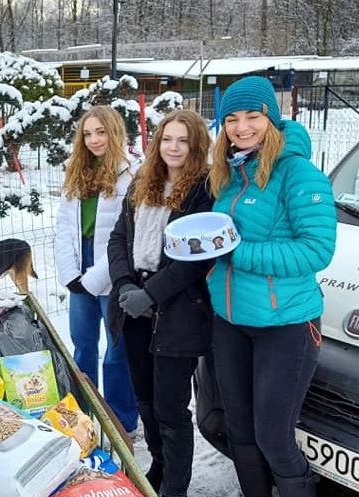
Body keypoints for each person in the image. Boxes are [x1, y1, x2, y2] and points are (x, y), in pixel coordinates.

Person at [207, 76, 336, 497]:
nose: (241, 127)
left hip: (285, 325)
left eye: (253, 117)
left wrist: (237, 253)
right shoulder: (230, 170)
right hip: (230, 320)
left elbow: (316, 250)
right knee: (240, 433)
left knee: (273, 438)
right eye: (231, 119)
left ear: (272, 119)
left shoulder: (298, 172)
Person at [107, 110, 214, 497]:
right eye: (167, 139)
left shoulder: (204, 189)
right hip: (133, 304)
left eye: (183, 140)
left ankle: (176, 488)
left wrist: (152, 294)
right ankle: (159, 465)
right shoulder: (142, 183)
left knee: (170, 408)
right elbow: (119, 238)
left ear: (196, 145)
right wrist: (123, 284)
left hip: (178, 312)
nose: (173, 147)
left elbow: (197, 257)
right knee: (145, 401)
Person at [55, 105, 140, 437]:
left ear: (115, 132)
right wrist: (70, 272)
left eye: (100, 132)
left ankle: (122, 422)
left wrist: (94, 278)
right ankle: (83, 415)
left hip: (114, 267)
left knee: (117, 353)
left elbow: (127, 235)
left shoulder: (130, 175)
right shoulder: (76, 171)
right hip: (80, 264)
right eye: (87, 133)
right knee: (83, 346)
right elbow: (63, 225)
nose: (93, 140)